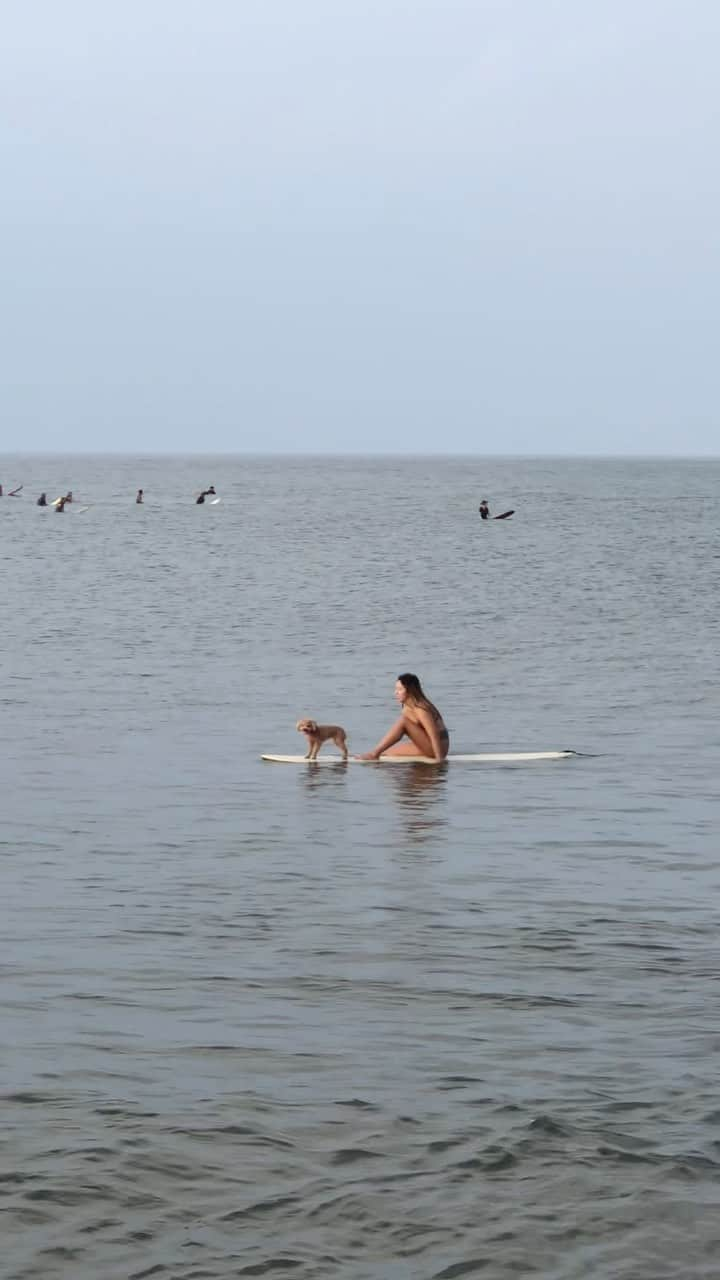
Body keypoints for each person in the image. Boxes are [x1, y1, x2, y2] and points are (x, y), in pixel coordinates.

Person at [356, 673, 450, 761]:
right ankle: (374, 753)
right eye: (396, 689)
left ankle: (374, 754)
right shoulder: (407, 705)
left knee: (403, 721)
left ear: (410, 691)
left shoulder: (420, 708)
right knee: (387, 753)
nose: (396, 693)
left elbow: (433, 734)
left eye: (400, 689)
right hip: (427, 744)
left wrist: (439, 760)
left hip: (439, 747)